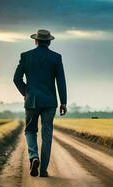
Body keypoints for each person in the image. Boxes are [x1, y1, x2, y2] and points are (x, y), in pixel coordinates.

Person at [13, 29, 67, 177]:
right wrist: (63, 102)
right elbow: (61, 82)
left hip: (32, 101)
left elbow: (16, 79)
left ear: (36, 41)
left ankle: (33, 157)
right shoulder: (56, 58)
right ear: (49, 42)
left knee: (30, 130)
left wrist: (26, 93)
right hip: (50, 102)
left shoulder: (26, 56)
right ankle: (43, 170)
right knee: (47, 134)